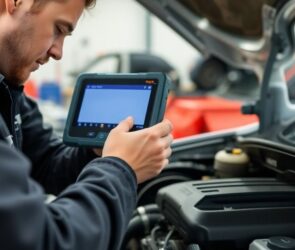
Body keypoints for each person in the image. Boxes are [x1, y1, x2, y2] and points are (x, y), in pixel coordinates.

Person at [0, 0, 173, 249]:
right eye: (58, 29)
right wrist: (121, 168)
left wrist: (98, 151)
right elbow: (48, 241)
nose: (58, 52)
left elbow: (46, 165)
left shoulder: (6, 91)